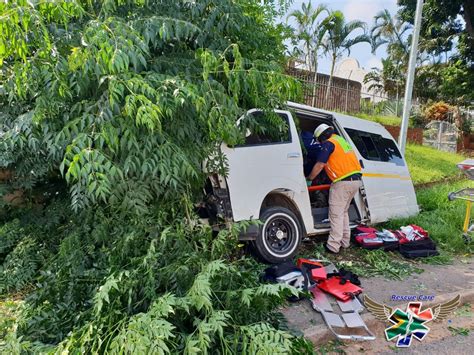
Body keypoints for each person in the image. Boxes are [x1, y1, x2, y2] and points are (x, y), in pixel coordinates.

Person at [306, 124, 362, 254]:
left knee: (336, 215)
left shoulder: (328, 144)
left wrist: (309, 178)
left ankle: (333, 246)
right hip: (356, 181)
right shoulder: (341, 141)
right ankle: (345, 242)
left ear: (321, 137)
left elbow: (320, 164)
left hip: (342, 182)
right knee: (343, 213)